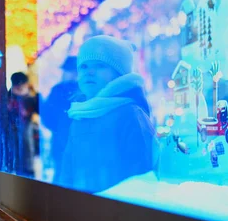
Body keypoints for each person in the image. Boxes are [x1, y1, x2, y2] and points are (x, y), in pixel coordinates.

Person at [58, 35, 157, 193]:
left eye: (99, 65)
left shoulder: (131, 114)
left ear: (119, 74)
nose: (89, 72)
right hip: (80, 210)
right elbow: (67, 171)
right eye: (83, 66)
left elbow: (141, 175)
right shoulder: (79, 115)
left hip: (118, 211)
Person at [41, 56, 79, 173]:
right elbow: (47, 116)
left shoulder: (84, 90)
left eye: (73, 71)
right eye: (69, 70)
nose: (71, 74)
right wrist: (59, 129)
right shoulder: (57, 90)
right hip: (61, 141)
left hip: (76, 142)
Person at [6, 72, 39, 177]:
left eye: (22, 85)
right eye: (17, 86)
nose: (20, 88)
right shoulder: (7, 98)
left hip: (27, 133)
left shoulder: (32, 98)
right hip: (10, 133)